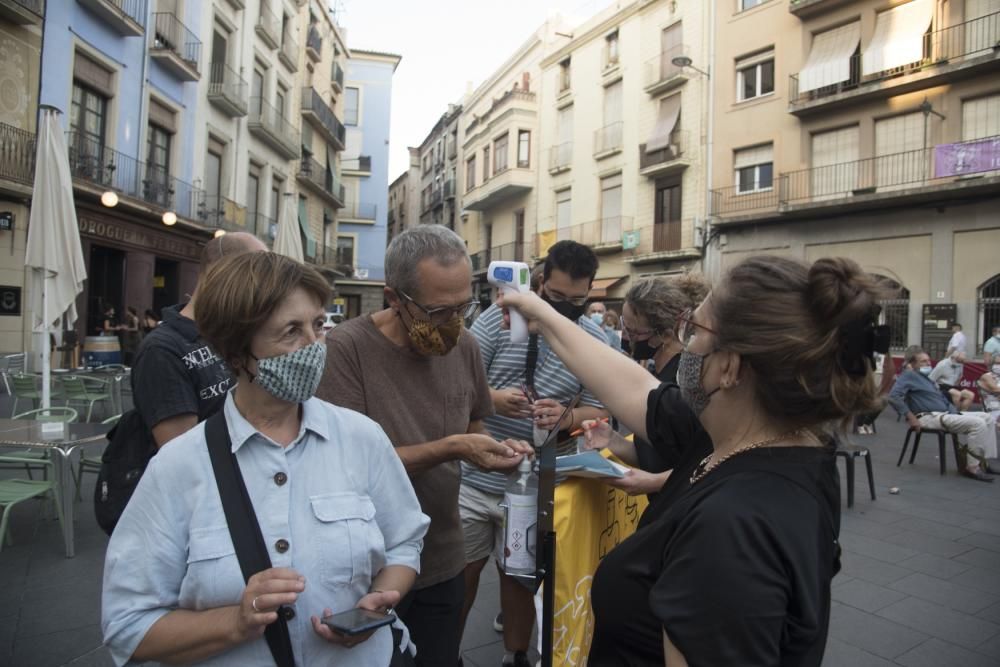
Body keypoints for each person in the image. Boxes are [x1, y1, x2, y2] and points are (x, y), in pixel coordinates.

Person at [502, 255, 885, 665]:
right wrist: (541, 315)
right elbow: (637, 391)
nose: (686, 345)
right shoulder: (765, 439)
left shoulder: (733, 531)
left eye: (695, 330)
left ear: (730, 367)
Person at [102, 252, 429, 666]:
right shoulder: (180, 465)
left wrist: (381, 598)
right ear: (237, 352)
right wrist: (234, 623)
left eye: (318, 325)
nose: (314, 346)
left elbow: (404, 540)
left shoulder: (361, 437)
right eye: (291, 331)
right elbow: (127, 626)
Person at [317, 225, 532, 667]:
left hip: (443, 555)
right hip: (364, 568)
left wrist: (493, 450)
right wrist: (454, 447)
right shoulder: (346, 349)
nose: (452, 322)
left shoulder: (466, 345)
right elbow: (348, 466)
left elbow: (474, 420)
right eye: (438, 310)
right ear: (394, 298)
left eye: (462, 306)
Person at [460, 240, 610, 667]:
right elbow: (456, 384)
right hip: (476, 476)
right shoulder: (496, 320)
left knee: (519, 575)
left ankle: (516, 655)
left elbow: (605, 406)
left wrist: (568, 417)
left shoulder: (593, 337)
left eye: (577, 301)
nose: (565, 308)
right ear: (540, 283)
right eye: (557, 298)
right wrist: (492, 399)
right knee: (461, 574)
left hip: (537, 480)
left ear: (590, 291)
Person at [133, 232, 268, 448]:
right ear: (221, 269)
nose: (266, 285)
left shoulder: (235, 335)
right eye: (260, 272)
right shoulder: (162, 350)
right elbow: (181, 455)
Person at [584, 274, 709, 506]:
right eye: (624, 327)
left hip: (685, 508)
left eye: (634, 333)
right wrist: (612, 439)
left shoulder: (686, 382)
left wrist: (654, 482)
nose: (627, 339)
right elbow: (656, 454)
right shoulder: (660, 376)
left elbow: (710, 462)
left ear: (665, 334)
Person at [889, 347, 998, 482]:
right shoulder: (909, 376)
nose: (928, 363)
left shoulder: (927, 379)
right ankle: (972, 468)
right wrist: (910, 417)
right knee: (978, 424)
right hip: (928, 416)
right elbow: (893, 396)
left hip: (945, 413)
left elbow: (942, 399)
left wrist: (956, 413)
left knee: (987, 418)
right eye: (923, 361)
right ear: (912, 364)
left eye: (928, 360)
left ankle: (984, 462)